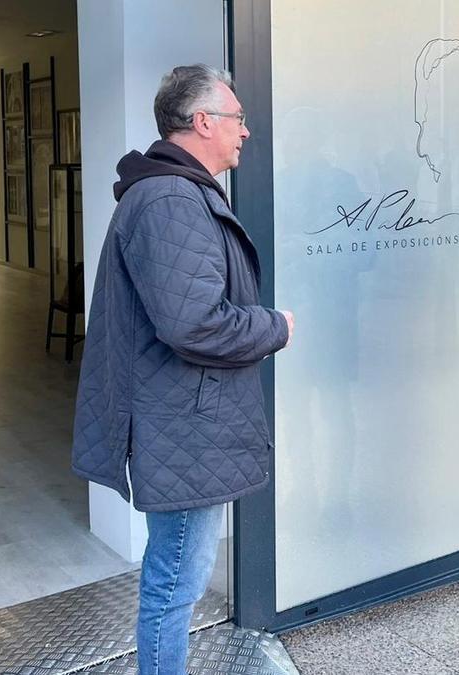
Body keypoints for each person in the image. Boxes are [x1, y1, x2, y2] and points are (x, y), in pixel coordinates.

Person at [71, 64, 293, 675]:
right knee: (175, 583)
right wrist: (276, 326)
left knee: (175, 577)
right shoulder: (171, 198)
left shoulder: (174, 192)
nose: (245, 132)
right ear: (202, 122)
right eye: (238, 119)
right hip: (186, 425)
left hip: (186, 421)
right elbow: (192, 323)